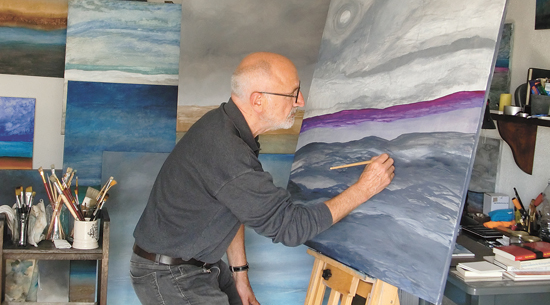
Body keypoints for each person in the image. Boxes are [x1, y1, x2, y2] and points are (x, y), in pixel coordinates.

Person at [130, 52, 395, 305]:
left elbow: (234, 206)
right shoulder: (228, 151)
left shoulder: (226, 125)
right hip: (172, 275)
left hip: (198, 265)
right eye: (293, 93)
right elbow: (291, 227)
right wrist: (364, 189)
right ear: (258, 101)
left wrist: (239, 274)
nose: (301, 101)